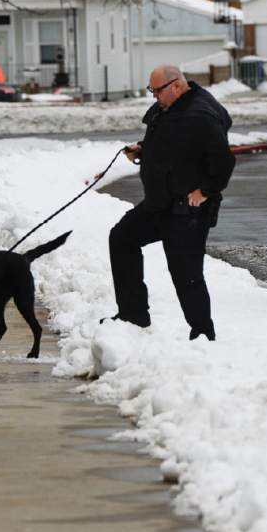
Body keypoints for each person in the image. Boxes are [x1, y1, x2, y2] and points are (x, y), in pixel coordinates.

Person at [104, 65, 235, 341]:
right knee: (122, 238)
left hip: (187, 211)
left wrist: (207, 191)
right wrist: (143, 149)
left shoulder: (199, 114)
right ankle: (133, 314)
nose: (154, 97)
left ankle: (202, 333)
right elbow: (172, 143)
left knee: (186, 272)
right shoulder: (173, 108)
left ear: (176, 85)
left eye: (157, 91)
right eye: (151, 91)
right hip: (159, 203)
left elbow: (223, 160)